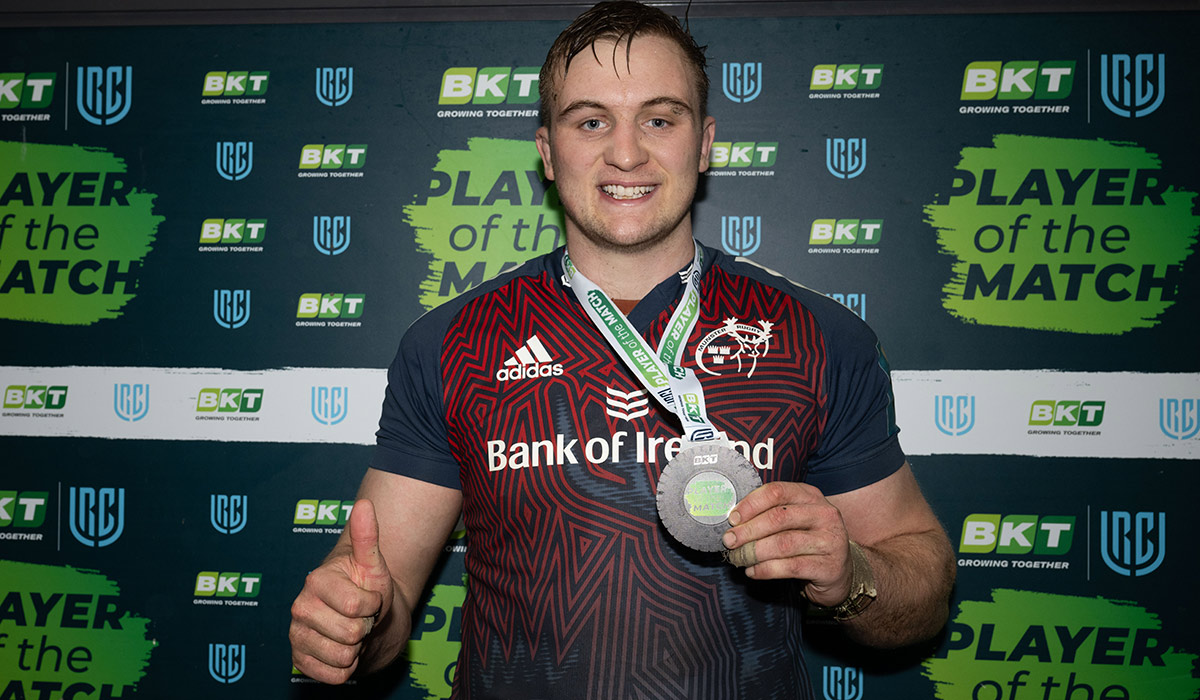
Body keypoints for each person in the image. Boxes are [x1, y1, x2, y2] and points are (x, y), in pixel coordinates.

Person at [289, 1, 956, 697]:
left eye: (660, 119)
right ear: (548, 152)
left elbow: (923, 588)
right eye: (591, 121)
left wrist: (854, 576)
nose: (627, 152)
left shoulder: (818, 336)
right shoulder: (451, 343)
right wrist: (355, 621)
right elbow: (382, 598)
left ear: (704, 144)